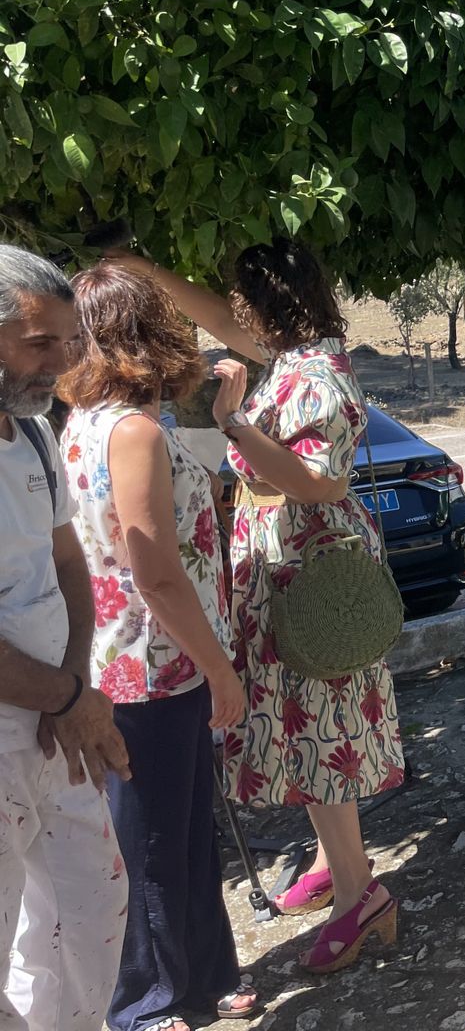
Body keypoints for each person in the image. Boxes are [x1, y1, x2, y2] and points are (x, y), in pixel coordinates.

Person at [111, 240, 403, 974]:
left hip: (308, 585)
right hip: (285, 576)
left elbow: (319, 485)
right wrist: (144, 268)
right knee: (306, 727)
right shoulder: (300, 353)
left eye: (241, 302)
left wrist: (233, 422)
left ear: (264, 308)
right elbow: (213, 312)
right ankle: (338, 864)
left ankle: (359, 897)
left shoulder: (317, 377)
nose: (230, 313)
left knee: (316, 732)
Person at [59, 266, 257, 1031]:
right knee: (149, 846)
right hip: (151, 664)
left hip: (135, 660)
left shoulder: (87, 421)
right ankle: (145, 1000)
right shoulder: (134, 431)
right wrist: (219, 668)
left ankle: (205, 974)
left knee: (182, 830)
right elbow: (157, 572)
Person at [0, 245, 130, 1031]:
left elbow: (67, 559)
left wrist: (75, 683)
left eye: (66, 341)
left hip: (58, 723)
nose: (60, 363)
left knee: (91, 909)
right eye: (38, 343)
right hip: (28, 723)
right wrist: (72, 698)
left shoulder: (35, 436)